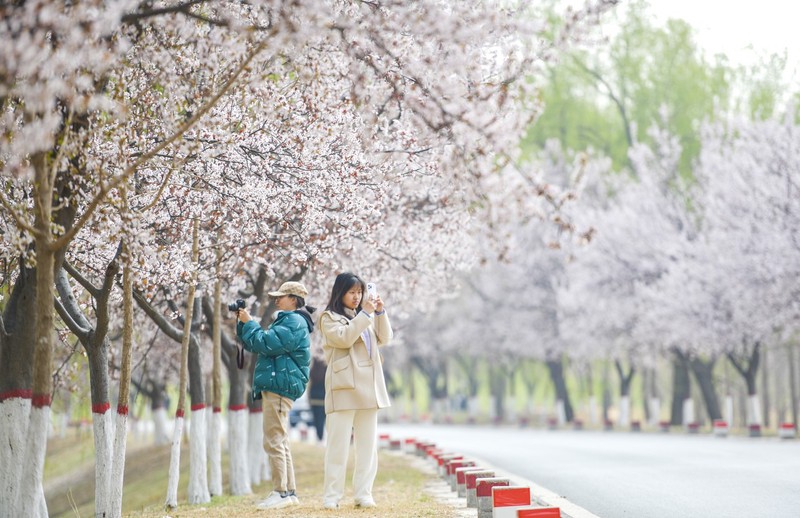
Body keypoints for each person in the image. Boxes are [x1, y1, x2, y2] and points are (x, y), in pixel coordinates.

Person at [236, 281, 314, 510]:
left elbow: (267, 343)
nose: (276, 299)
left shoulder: (293, 321)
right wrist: (244, 325)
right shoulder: (291, 320)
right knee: (280, 439)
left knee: (274, 440)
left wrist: (249, 323)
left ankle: (281, 492)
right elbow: (257, 343)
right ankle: (288, 492)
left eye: (281, 296)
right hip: (280, 383)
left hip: (280, 385)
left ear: (294, 299)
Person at [318, 272, 393, 509]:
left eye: (360, 292)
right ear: (340, 293)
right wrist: (366, 314)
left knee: (367, 448)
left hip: (369, 389)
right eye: (352, 292)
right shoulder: (328, 318)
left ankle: (363, 494)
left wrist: (380, 312)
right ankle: (332, 497)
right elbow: (344, 338)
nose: (357, 296)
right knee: (337, 448)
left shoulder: (365, 317)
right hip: (344, 388)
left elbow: (385, 338)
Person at [307, 355, 327, 442]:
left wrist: (308, 398)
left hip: (314, 398)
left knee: (317, 420)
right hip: (324, 398)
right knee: (323, 420)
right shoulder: (326, 367)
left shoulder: (313, 368)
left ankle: (319, 438)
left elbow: (309, 384)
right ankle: (323, 438)